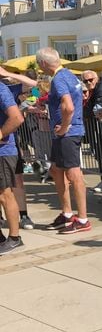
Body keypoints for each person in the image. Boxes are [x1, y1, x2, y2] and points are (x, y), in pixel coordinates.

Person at [36, 48, 90, 234]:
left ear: (43, 64)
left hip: (68, 133)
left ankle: (82, 218)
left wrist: (65, 126)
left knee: (74, 174)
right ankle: (67, 213)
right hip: (66, 132)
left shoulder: (59, 79)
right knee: (56, 169)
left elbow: (68, 106)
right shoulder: (68, 74)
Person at [0, 72, 26, 255]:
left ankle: (15, 237)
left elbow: (17, 118)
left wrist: (0, 134)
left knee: (5, 194)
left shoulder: (1, 89)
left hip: (3, 152)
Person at [82, 70, 102, 193]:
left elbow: (99, 108)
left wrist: (87, 113)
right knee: (101, 153)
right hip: (97, 125)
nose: (89, 83)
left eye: (91, 80)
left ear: (96, 78)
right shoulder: (94, 90)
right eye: (86, 81)